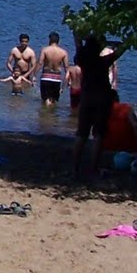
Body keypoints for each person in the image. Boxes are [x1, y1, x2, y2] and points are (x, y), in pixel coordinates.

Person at [72, 34, 121, 179]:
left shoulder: (82, 59)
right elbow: (121, 50)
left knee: (81, 134)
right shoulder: (104, 61)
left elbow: (77, 39)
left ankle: (75, 167)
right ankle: (94, 167)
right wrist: (110, 42)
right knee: (99, 134)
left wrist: (83, 35)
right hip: (101, 98)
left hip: (86, 98)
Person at [37, 32, 69, 106]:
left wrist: (34, 75)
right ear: (58, 41)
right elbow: (66, 68)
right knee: (53, 100)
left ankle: (46, 115)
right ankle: (52, 115)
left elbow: (40, 63)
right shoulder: (63, 52)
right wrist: (68, 80)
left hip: (46, 77)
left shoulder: (45, 50)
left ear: (50, 40)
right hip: (57, 78)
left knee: (46, 99)